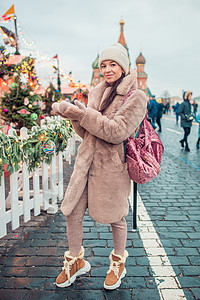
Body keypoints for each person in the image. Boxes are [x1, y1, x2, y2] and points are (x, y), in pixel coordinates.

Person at [52, 43, 147, 290]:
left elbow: (116, 132)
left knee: (116, 216)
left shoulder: (136, 97)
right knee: (72, 211)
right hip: (86, 161)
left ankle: (118, 263)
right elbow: (88, 132)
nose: (106, 69)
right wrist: (73, 115)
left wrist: (83, 115)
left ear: (123, 67)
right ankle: (76, 260)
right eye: (103, 65)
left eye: (112, 64)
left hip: (112, 166)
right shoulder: (96, 91)